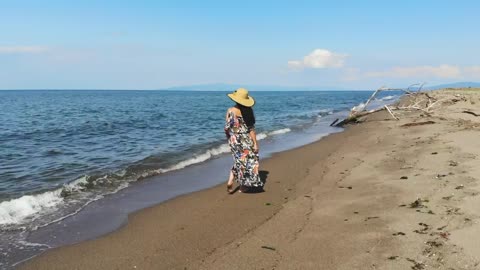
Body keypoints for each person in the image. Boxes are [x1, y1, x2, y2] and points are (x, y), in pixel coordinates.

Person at [224, 88, 263, 194]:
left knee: (239, 161)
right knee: (250, 161)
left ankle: (231, 180)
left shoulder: (230, 111)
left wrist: (230, 139)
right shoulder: (248, 111)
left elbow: (227, 128)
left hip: (234, 140)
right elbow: (251, 129)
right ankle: (242, 186)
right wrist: (255, 143)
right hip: (245, 140)